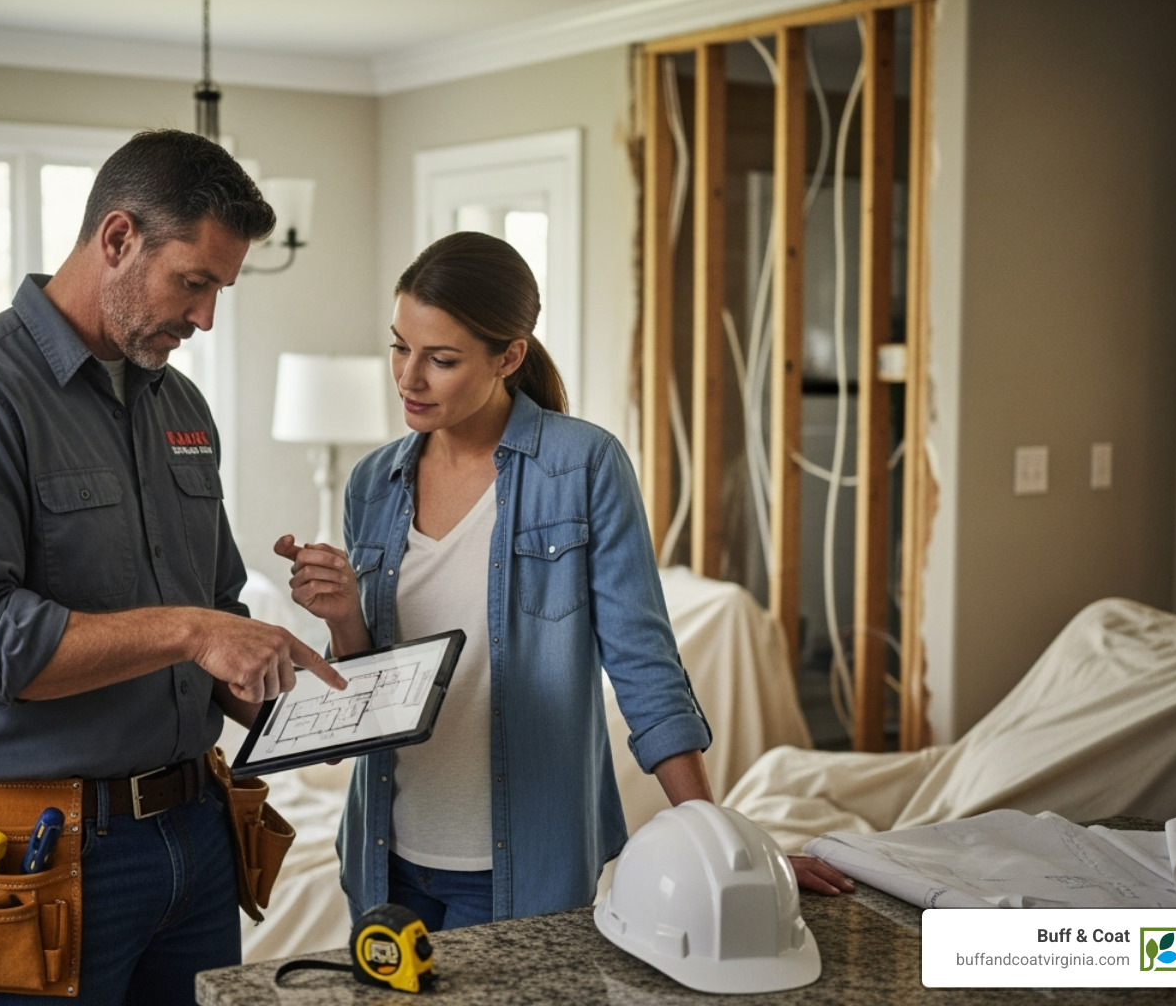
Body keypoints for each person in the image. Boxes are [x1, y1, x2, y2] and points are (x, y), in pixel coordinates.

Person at [0, 129, 344, 1005]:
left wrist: (308, 693)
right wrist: (192, 631)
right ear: (119, 239)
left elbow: (215, 611)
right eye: (194, 281)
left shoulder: (181, 404)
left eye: (220, 290)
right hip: (42, 853)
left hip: (201, 837)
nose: (205, 318)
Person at [276, 231, 851, 931]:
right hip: (383, 859)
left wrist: (724, 847)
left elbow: (645, 669)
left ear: (509, 356)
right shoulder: (374, 483)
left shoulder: (583, 467)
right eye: (400, 346)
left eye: (442, 358)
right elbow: (374, 691)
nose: (408, 377)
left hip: (525, 868)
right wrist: (343, 620)